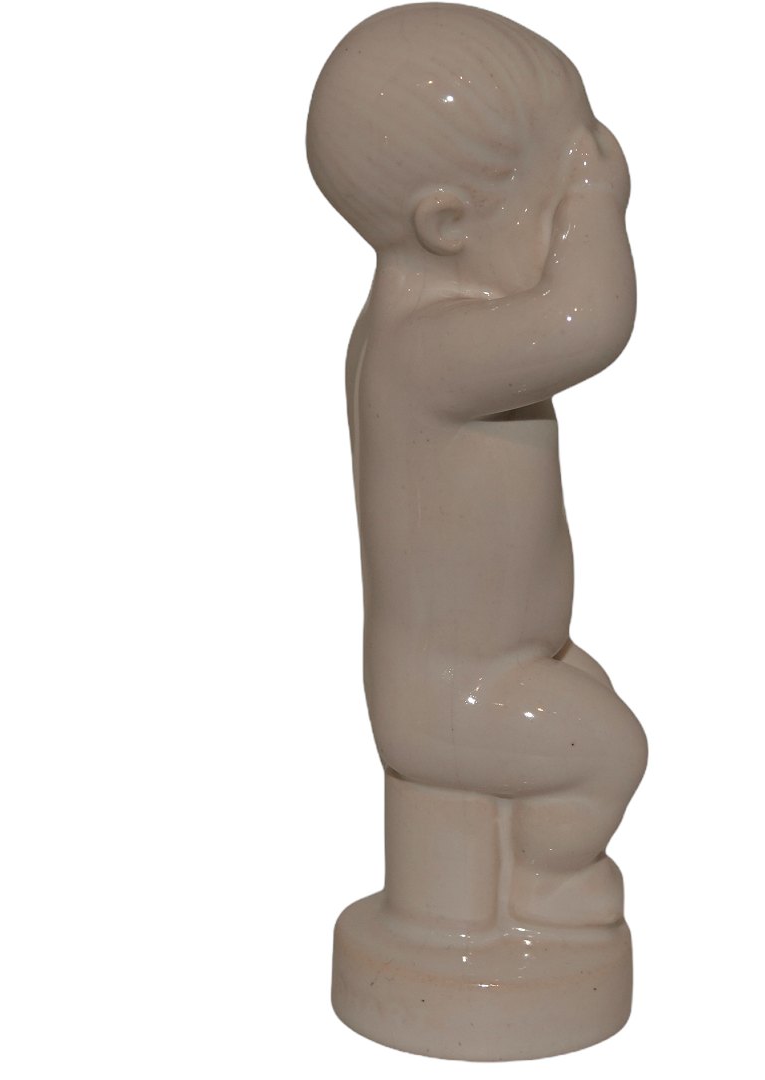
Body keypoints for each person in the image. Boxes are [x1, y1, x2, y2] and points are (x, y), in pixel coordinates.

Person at [308, 2, 646, 929]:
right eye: (556, 191)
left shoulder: (419, 336)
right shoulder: (426, 351)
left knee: (590, 706)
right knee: (610, 751)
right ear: (450, 222)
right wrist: (600, 206)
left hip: (499, 668)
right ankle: (549, 880)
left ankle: (513, 879)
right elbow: (589, 322)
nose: (580, 195)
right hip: (456, 695)